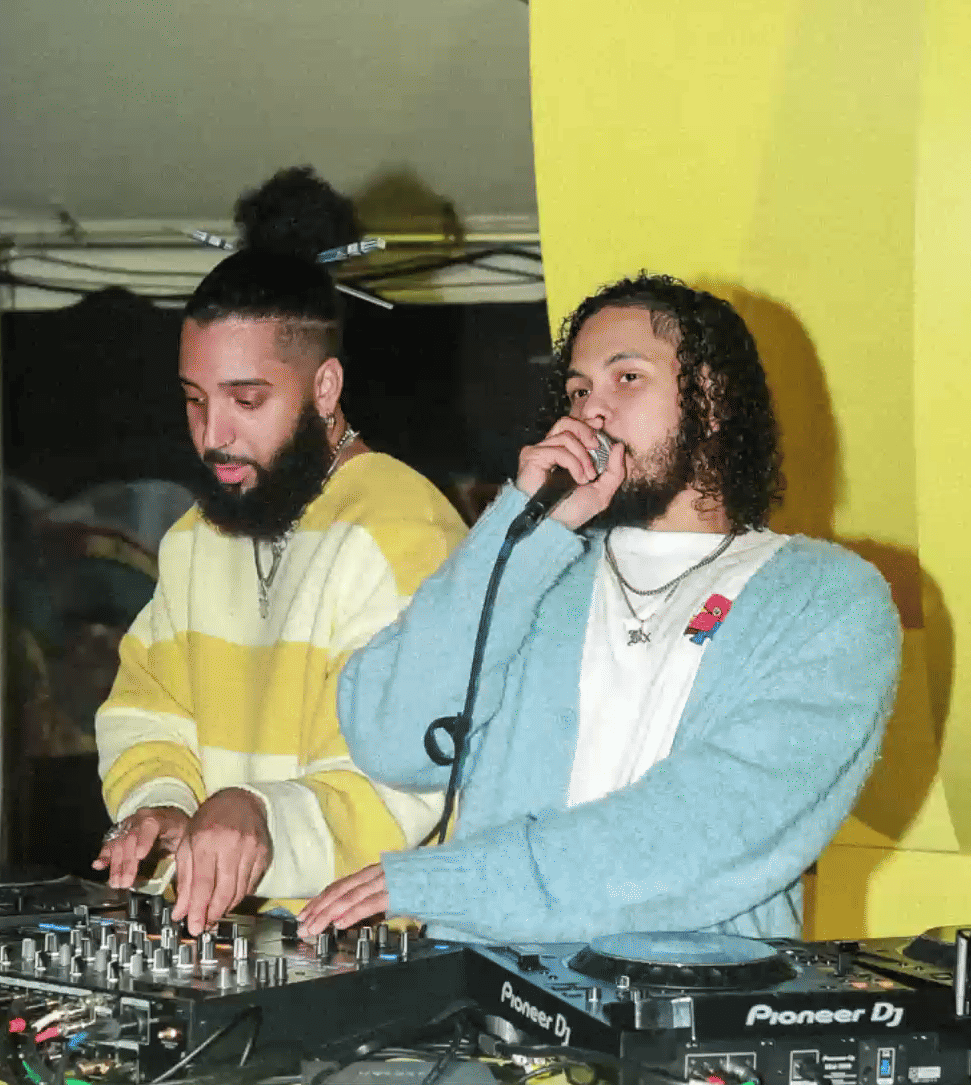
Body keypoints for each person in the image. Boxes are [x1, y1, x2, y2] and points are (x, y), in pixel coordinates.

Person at [298, 274, 900, 948]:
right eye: (579, 390)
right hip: (495, 1018)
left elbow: (705, 829)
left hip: (694, 1026)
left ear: (715, 400)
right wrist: (517, 530)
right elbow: (390, 737)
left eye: (627, 379)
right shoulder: (541, 570)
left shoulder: (827, 600)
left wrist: (457, 883)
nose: (591, 414)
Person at [94, 167, 463, 932]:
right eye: (195, 400)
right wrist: (162, 805)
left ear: (325, 388)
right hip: (233, 948)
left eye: (247, 400)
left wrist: (256, 814)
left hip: (382, 969)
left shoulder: (404, 532)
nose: (212, 435)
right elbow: (147, 710)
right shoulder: (198, 538)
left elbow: (408, 779)